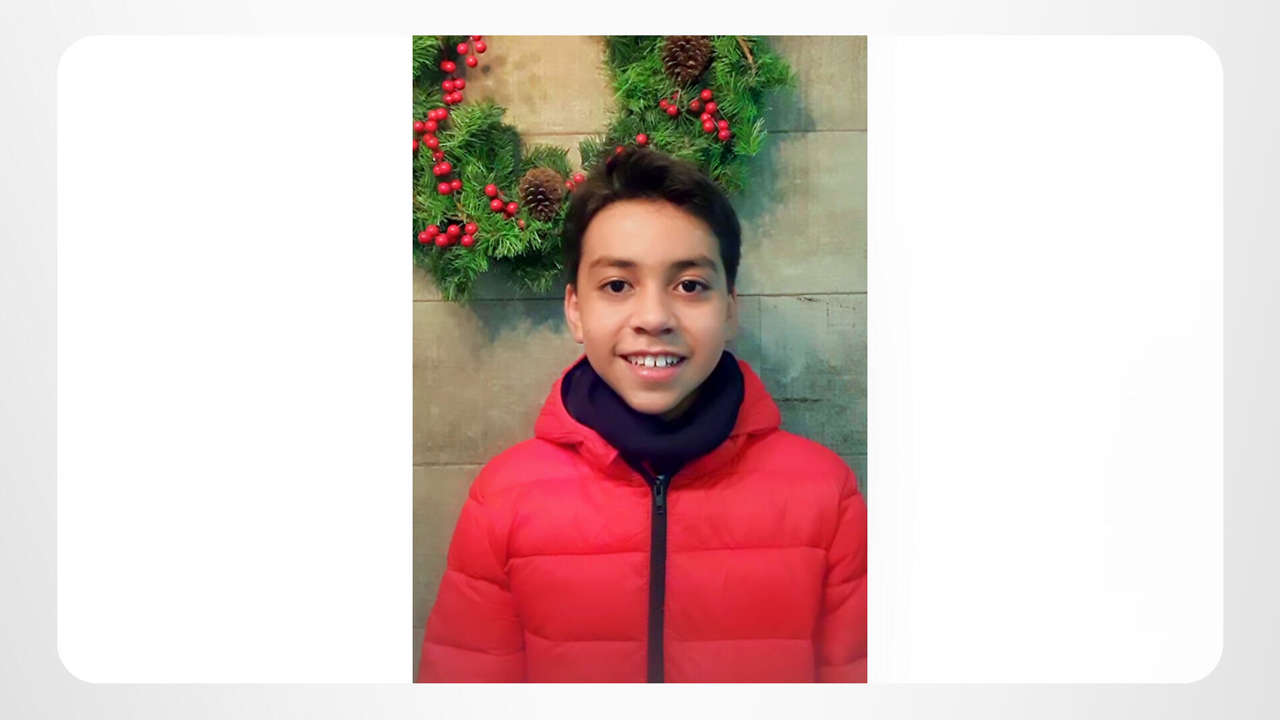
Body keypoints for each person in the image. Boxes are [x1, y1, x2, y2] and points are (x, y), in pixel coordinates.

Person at [417, 147, 867, 683]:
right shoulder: (503, 499)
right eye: (617, 286)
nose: (654, 318)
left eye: (690, 286)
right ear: (575, 310)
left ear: (730, 309)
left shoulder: (825, 494)